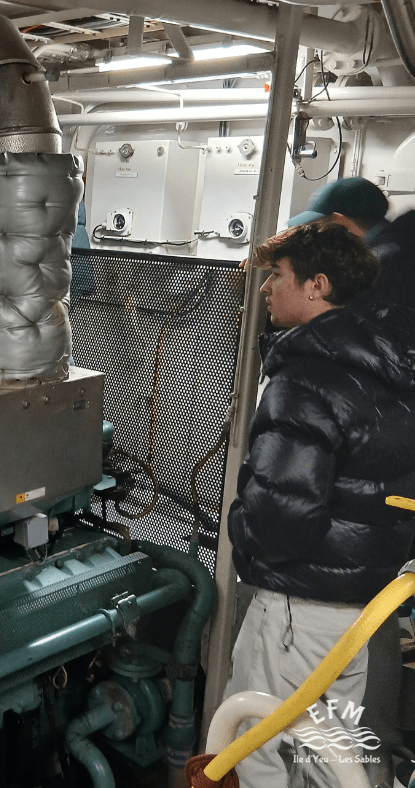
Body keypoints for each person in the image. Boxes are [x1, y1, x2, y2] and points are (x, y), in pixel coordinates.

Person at [225, 222, 415, 788]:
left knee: (252, 744)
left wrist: (240, 527)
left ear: (317, 285)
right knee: (331, 755)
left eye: (277, 276)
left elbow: (279, 518)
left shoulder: (305, 378)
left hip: (296, 607)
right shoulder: (387, 366)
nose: (265, 288)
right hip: (355, 610)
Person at [288, 176, 415, 309]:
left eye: (318, 228)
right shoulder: (399, 248)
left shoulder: (376, 270)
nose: (315, 239)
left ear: (340, 223)